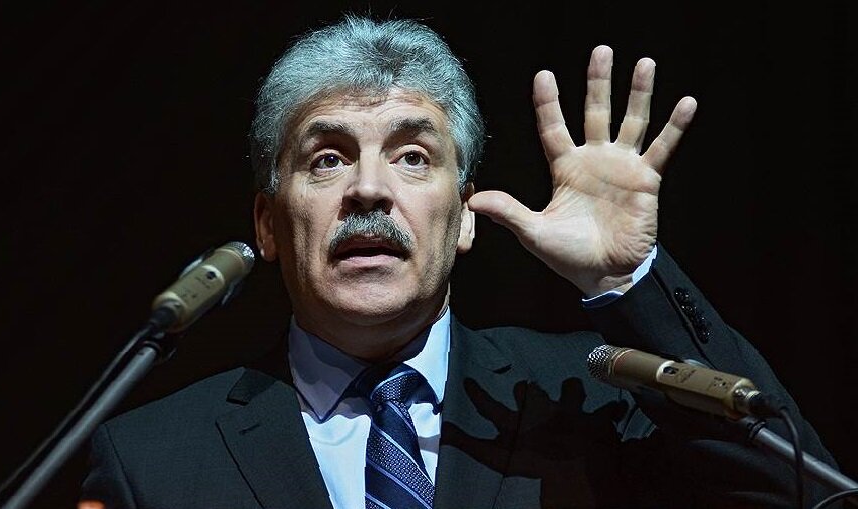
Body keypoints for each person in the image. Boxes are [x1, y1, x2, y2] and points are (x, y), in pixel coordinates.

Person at [79, 14, 841, 509]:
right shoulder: (152, 460)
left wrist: (625, 280)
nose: (368, 189)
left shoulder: (589, 399)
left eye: (413, 156)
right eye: (327, 159)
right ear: (268, 223)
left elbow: (797, 491)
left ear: (467, 215)